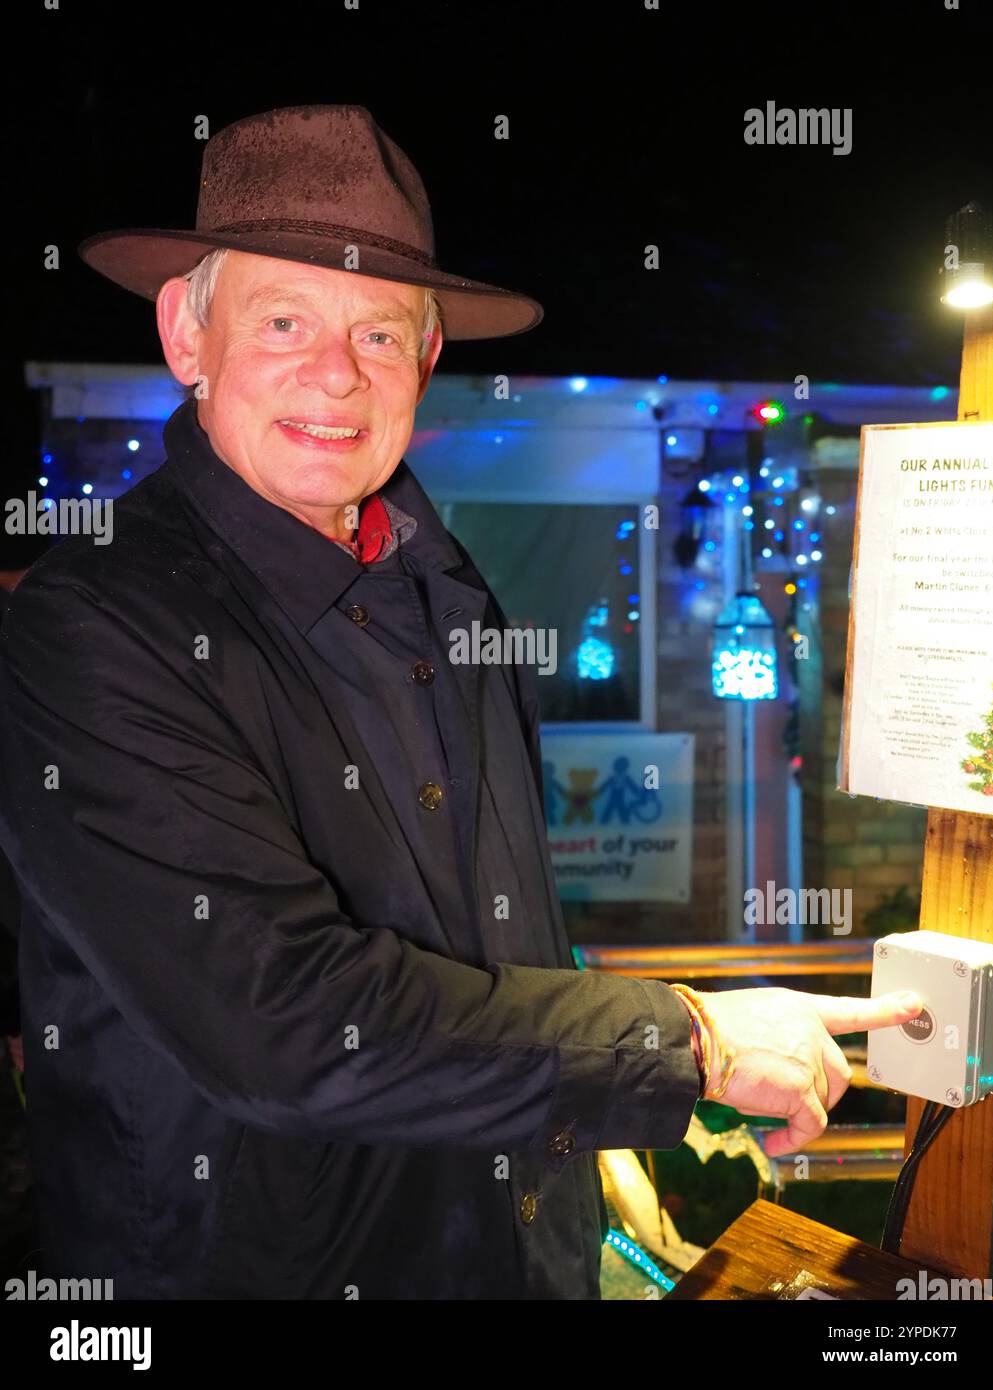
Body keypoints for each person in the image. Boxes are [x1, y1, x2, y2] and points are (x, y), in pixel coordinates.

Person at [0, 104, 921, 1300]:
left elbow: (492, 942)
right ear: (187, 333)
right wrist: (681, 1041)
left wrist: (599, 1146)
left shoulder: (445, 589)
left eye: (378, 334)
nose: (335, 375)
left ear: (426, 360)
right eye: (282, 321)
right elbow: (280, 1021)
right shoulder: (88, 628)